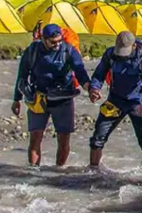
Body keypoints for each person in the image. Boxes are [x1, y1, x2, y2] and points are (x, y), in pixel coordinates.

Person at [12, 24, 93, 167]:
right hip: (38, 99)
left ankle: (58, 171)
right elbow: (22, 76)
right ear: (43, 39)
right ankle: (33, 171)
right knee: (35, 137)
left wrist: (89, 88)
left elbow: (80, 73)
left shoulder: (69, 51)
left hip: (63, 100)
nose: (57, 45)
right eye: (53, 42)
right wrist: (16, 100)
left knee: (63, 140)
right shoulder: (32, 51)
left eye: (59, 41)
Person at [87, 32, 142, 175]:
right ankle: (92, 173)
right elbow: (99, 74)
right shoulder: (110, 54)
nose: (122, 54)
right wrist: (94, 88)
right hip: (115, 100)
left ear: (134, 46)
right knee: (97, 138)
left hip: (138, 102)